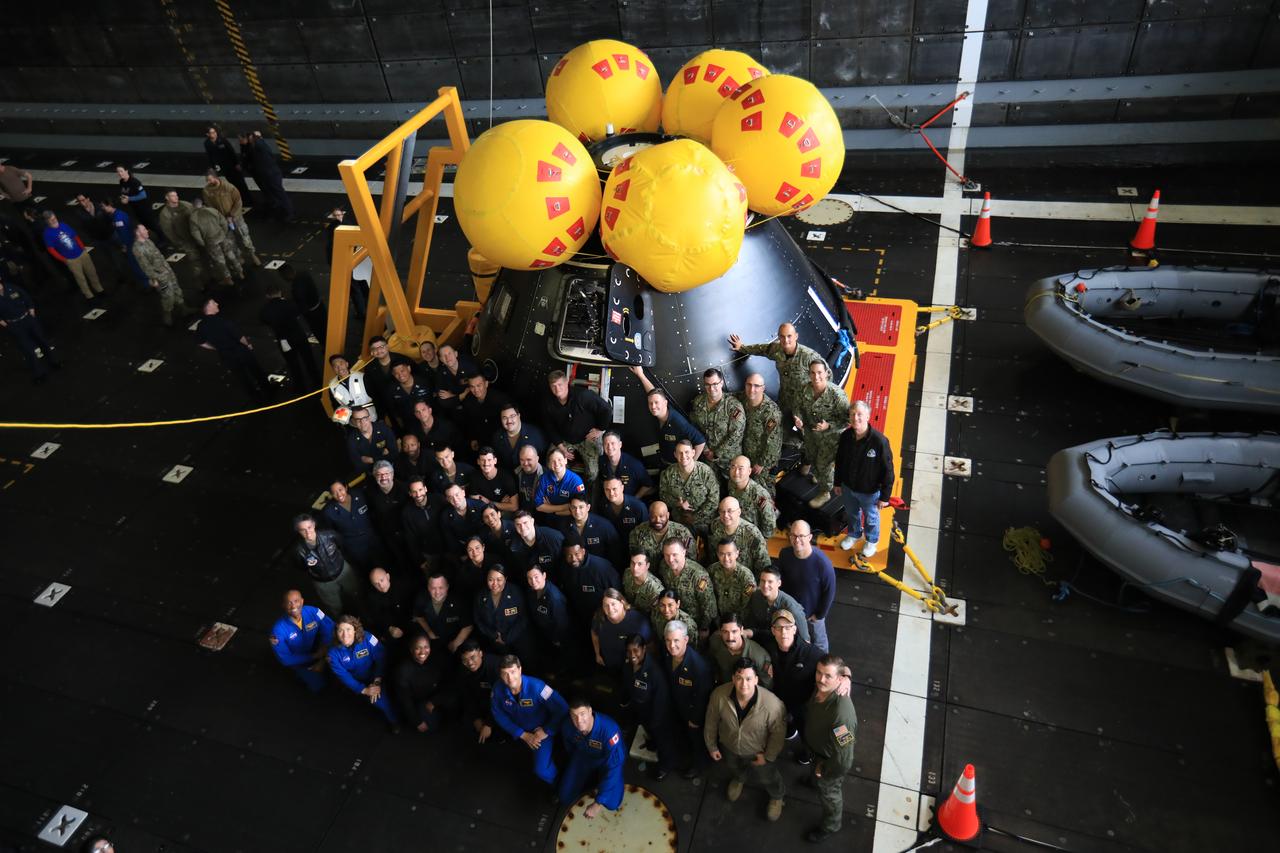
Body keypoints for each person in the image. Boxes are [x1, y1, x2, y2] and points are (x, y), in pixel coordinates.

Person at [704, 659, 788, 822]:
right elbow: (711, 721)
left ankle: (777, 796)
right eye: (739, 677)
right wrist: (712, 746)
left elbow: (778, 734)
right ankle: (740, 778)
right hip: (729, 746)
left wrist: (768, 756)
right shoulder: (719, 695)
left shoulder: (773, 705)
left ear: (756, 679)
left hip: (758, 752)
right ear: (733, 678)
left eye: (749, 678)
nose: (744, 684)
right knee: (734, 767)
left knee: (767, 776)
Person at [803, 655, 859, 842]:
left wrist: (826, 770)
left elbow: (844, 758)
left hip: (827, 761)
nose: (821, 679)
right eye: (819, 673)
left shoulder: (841, 715)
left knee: (829, 794)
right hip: (816, 749)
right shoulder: (822, 689)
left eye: (828, 676)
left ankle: (831, 825)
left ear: (839, 678)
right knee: (816, 778)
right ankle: (813, 781)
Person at [491, 655, 570, 785]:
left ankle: (559, 783)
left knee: (541, 771)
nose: (510, 678)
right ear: (500, 675)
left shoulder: (538, 687)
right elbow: (498, 714)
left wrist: (547, 730)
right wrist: (521, 734)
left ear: (520, 670)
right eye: (505, 674)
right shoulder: (497, 689)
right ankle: (556, 780)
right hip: (521, 731)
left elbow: (562, 708)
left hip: (541, 730)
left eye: (513, 672)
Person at [834, 400, 896, 558]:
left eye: (860, 414)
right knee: (852, 513)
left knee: (871, 517)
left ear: (868, 416)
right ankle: (854, 534)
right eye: (853, 414)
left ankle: (872, 540)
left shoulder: (879, 441)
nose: (856, 418)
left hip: (870, 492)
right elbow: (839, 460)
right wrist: (837, 482)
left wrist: (885, 496)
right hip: (848, 488)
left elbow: (888, 469)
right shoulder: (846, 436)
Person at [728, 322, 826, 422]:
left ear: (796, 336)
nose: (786, 340)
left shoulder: (809, 357)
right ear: (779, 337)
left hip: (804, 405)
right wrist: (742, 347)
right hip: (784, 401)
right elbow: (761, 349)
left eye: (789, 336)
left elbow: (827, 378)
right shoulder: (777, 349)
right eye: (782, 337)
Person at [540, 369, 612, 485]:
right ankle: (560, 488)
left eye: (560, 385)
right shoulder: (547, 403)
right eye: (554, 386)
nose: (557, 389)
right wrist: (561, 447)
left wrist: (600, 429)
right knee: (551, 465)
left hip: (586, 439)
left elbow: (606, 409)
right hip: (563, 440)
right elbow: (549, 427)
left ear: (566, 382)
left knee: (593, 473)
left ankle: (584, 490)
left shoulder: (583, 396)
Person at [559, 697, 627, 816]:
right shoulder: (567, 726)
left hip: (607, 762)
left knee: (612, 803)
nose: (579, 720)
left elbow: (614, 767)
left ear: (590, 711)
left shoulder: (609, 731)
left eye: (582, 714)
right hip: (583, 758)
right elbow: (569, 747)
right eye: (574, 716)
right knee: (565, 797)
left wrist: (598, 802)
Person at [796, 360, 850, 507]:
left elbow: (847, 420)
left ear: (826, 374)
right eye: (812, 373)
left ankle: (825, 492)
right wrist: (798, 418)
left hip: (830, 438)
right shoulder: (805, 389)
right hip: (811, 434)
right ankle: (820, 475)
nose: (816, 376)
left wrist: (829, 425)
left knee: (823, 464)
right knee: (812, 457)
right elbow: (798, 406)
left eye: (820, 372)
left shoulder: (837, 395)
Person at [663, 619, 713, 777]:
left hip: (693, 712)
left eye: (676, 640)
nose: (672, 645)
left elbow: (702, 697)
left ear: (686, 639)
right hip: (678, 706)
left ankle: (699, 765)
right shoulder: (667, 656)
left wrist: (695, 719)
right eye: (668, 641)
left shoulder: (698, 666)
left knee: (697, 741)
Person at [768, 609, 825, 747]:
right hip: (779, 698)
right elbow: (756, 634)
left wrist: (846, 675)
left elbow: (831, 662)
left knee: (806, 732)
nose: (783, 632)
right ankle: (789, 729)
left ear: (794, 629)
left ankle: (808, 753)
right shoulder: (769, 644)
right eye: (779, 628)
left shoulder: (809, 652)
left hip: (801, 703)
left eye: (788, 628)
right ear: (773, 630)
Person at [328, 615, 398, 729]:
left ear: (355, 629)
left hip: (378, 674)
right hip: (359, 681)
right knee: (379, 701)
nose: (345, 635)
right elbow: (344, 676)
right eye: (340, 630)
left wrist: (377, 680)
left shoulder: (368, 638)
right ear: (336, 633)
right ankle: (394, 722)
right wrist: (365, 690)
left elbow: (381, 657)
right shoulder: (333, 654)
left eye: (348, 629)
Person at [624, 633, 678, 778]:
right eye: (629, 651)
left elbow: (661, 700)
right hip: (642, 711)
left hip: (657, 715)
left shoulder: (655, 672)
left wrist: (656, 721)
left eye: (636, 650)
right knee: (651, 735)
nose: (632, 655)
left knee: (663, 741)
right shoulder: (628, 665)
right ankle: (653, 742)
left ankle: (666, 766)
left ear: (644, 649)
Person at [197, 297, 271, 401]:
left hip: (226, 356)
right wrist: (247, 345)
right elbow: (240, 337)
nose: (217, 304)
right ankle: (269, 390)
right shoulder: (223, 321)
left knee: (243, 378)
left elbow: (201, 343)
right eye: (214, 303)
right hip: (240, 351)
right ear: (208, 306)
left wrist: (216, 348)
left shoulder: (201, 326)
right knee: (256, 371)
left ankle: (256, 397)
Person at [778, 521, 836, 653]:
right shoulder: (784, 554)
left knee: (819, 645)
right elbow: (781, 580)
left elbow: (829, 592)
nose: (797, 540)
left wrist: (819, 615)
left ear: (809, 537)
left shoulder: (823, 564)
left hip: (812, 617)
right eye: (793, 536)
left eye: (801, 536)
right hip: (790, 612)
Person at [291, 513, 363, 617]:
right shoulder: (299, 551)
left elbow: (341, 545)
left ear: (314, 525)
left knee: (357, 593)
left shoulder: (330, 535)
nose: (308, 532)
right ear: (299, 532)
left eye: (309, 527)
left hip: (343, 571)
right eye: (303, 530)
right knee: (335, 606)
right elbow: (301, 566)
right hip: (323, 583)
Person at [632, 368, 707, 465]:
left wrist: (691, 464)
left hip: (677, 466)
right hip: (665, 463)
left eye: (656, 403)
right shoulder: (659, 412)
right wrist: (640, 375)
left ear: (665, 403)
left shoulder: (678, 422)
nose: (653, 406)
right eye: (650, 403)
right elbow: (653, 393)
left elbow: (700, 442)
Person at [269, 589, 334, 692]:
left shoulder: (313, 611)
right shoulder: (277, 631)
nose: (293, 606)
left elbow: (330, 628)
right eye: (289, 603)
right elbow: (285, 659)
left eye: (296, 601)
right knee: (319, 687)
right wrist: (314, 656)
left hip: (320, 649)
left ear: (302, 601)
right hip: (300, 661)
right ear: (283, 606)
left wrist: (324, 651)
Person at [0, 276, 61, 382]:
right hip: (14, 325)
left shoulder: (12, 288)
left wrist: (31, 310)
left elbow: (26, 297)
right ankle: (39, 374)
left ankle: (54, 362)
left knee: (42, 340)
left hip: (27, 319)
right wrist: (3, 323)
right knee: (28, 350)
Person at [260, 282, 320, 388]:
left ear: (267, 296)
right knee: (308, 358)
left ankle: (300, 385)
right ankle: (316, 380)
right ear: (280, 292)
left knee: (293, 363)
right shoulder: (289, 303)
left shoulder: (265, 310)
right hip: (298, 335)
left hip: (284, 340)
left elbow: (264, 321)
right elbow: (300, 310)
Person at [131, 223, 191, 327]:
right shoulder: (138, 249)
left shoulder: (148, 241)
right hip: (159, 275)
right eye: (144, 229)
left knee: (176, 288)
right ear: (138, 233)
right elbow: (146, 268)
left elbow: (159, 256)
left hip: (166, 270)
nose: (146, 231)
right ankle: (167, 316)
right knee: (167, 296)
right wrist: (156, 278)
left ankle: (183, 308)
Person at [559, 536, 621, 634]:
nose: (573, 559)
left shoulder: (602, 568)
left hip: (604, 620)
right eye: (569, 555)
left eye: (576, 554)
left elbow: (617, 594)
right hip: (580, 620)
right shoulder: (565, 569)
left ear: (583, 551)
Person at [690, 367, 746, 476]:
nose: (711, 388)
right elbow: (694, 427)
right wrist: (706, 450)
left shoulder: (733, 405)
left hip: (729, 460)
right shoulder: (698, 402)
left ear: (721, 383)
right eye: (708, 384)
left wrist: (716, 453)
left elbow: (737, 433)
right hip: (707, 459)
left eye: (715, 384)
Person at [322, 480, 386, 573]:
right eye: (334, 492)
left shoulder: (360, 495)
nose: (339, 494)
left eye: (340, 489)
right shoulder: (328, 511)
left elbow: (373, 511)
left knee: (384, 561)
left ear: (346, 487)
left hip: (372, 536)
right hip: (354, 545)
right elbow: (331, 532)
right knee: (366, 568)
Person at [659, 538, 717, 639]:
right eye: (667, 555)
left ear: (684, 552)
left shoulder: (698, 575)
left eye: (674, 554)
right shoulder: (664, 566)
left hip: (694, 625)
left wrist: (704, 628)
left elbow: (709, 607)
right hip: (673, 618)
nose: (670, 559)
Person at [660, 439, 720, 536]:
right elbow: (663, 495)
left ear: (693, 453)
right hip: (679, 523)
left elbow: (714, 500)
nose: (683, 456)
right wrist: (677, 503)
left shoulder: (705, 472)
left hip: (704, 523)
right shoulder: (668, 473)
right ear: (675, 454)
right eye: (680, 453)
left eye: (686, 452)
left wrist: (695, 517)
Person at [473, 566, 533, 662]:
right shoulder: (481, 596)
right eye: (490, 580)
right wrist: (494, 636)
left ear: (505, 579)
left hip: (518, 639)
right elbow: (478, 619)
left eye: (499, 580)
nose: (494, 584)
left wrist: (507, 638)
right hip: (496, 642)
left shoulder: (516, 592)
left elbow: (523, 617)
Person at [394, 635, 452, 734]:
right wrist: (417, 721)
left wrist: (434, 701)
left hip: (435, 698)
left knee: (452, 702)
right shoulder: (404, 670)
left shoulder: (437, 661)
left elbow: (447, 684)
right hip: (420, 702)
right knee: (431, 727)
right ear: (411, 650)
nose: (422, 652)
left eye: (426, 647)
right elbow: (405, 699)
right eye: (418, 648)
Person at [41, 211, 104, 300]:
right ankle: (89, 296)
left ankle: (99, 289)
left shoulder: (63, 225)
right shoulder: (47, 234)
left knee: (92, 272)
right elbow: (51, 250)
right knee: (80, 279)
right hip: (71, 259)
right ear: (47, 221)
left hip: (81, 253)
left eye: (55, 218)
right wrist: (64, 260)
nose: (55, 220)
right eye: (52, 220)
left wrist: (82, 248)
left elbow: (75, 236)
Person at [745, 566, 810, 651]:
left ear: (779, 583)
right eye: (762, 581)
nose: (765, 585)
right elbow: (751, 622)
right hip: (762, 641)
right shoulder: (756, 597)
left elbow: (805, 641)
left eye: (770, 582)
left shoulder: (791, 607)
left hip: (785, 647)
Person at [738, 374, 784, 495]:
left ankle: (772, 511)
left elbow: (774, 442)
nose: (752, 389)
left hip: (762, 461)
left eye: (756, 386)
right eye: (749, 385)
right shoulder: (742, 398)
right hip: (746, 455)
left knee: (763, 491)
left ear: (763, 388)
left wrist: (761, 463)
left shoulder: (771, 412)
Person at [203, 169, 260, 265]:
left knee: (244, 236)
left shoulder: (228, 187)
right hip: (222, 220)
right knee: (230, 241)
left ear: (215, 177)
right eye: (207, 180)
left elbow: (238, 201)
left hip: (236, 218)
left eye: (209, 179)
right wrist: (221, 218)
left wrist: (231, 214)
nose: (208, 182)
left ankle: (252, 254)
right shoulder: (207, 191)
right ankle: (238, 256)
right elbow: (210, 207)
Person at [708, 496, 772, 579]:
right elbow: (713, 553)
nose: (725, 515)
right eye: (722, 511)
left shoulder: (752, 533)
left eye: (730, 511)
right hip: (722, 576)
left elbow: (763, 564)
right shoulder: (715, 525)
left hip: (746, 579)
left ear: (739, 512)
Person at [591, 588, 650, 674]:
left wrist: (641, 667)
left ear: (622, 603)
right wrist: (597, 654)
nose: (610, 609)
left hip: (632, 669)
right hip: (609, 665)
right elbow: (594, 633)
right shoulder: (599, 618)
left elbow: (649, 645)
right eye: (606, 605)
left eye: (613, 604)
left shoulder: (638, 621)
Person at [189, 197, 244, 288]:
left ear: (193, 206)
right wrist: (224, 233)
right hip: (222, 237)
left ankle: (228, 279)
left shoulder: (193, 218)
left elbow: (195, 234)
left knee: (220, 261)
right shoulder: (212, 210)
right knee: (231, 255)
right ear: (201, 203)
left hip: (211, 242)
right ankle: (240, 272)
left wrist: (203, 243)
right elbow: (223, 222)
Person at [413, 571, 473, 653]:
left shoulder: (458, 601)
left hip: (453, 642)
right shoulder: (422, 598)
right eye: (433, 588)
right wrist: (429, 631)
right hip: (432, 641)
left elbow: (468, 626)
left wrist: (455, 644)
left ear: (447, 587)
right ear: (428, 588)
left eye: (441, 588)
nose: (437, 592)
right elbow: (418, 616)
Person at [707, 613, 773, 687]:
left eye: (734, 631)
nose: (730, 637)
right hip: (724, 689)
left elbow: (767, 687)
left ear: (741, 630)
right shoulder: (715, 642)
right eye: (725, 632)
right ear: (720, 632)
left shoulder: (759, 656)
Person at [526, 563, 572, 666]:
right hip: (544, 632)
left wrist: (556, 639)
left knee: (565, 658)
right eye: (529, 578)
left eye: (536, 577)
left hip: (559, 636)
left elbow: (561, 623)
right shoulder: (532, 590)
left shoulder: (554, 597)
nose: (533, 581)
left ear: (544, 575)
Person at [243, 130, 293, 221]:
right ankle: (281, 209)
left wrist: (258, 137)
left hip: (271, 174)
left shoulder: (259, 145)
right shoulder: (256, 146)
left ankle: (289, 211)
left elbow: (257, 144)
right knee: (273, 193)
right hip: (267, 174)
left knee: (279, 193)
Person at [561, 494, 623, 566]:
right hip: (574, 567)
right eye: (574, 507)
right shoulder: (563, 526)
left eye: (581, 507)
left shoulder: (604, 525)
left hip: (599, 568)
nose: (577, 511)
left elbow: (616, 552)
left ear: (588, 507)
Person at [456, 641, 500, 743]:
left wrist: (489, 724)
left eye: (472, 657)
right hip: (481, 702)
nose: (470, 663)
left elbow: (501, 698)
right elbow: (467, 695)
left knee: (497, 733)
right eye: (465, 660)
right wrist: (476, 717)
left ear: (480, 653)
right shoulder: (462, 669)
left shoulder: (495, 667)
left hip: (500, 704)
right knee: (467, 724)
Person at [157, 190, 204, 282]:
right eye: (173, 196)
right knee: (195, 262)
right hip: (186, 242)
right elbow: (169, 232)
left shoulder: (185, 205)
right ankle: (201, 282)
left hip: (197, 237)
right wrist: (180, 243)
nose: (176, 197)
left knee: (205, 256)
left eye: (176, 195)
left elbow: (196, 215)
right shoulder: (165, 214)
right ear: (167, 198)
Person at [401, 475, 444, 578]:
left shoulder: (439, 500)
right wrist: (420, 560)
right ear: (410, 494)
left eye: (420, 490)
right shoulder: (407, 513)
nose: (418, 494)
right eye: (414, 491)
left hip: (448, 549)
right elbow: (410, 539)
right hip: (428, 554)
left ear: (425, 489)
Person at [99, 198, 147, 287]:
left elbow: (124, 234)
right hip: (133, 241)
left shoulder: (117, 219)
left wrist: (125, 246)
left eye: (103, 206)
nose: (102, 209)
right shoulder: (119, 213)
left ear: (109, 206)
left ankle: (146, 283)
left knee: (135, 265)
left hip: (130, 244)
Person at [459, 374, 513, 452]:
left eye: (479, 385)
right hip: (481, 440)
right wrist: (473, 438)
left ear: (486, 384)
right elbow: (469, 422)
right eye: (472, 387)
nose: (476, 390)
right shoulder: (468, 400)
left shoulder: (500, 400)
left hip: (500, 439)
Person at [629, 500, 692, 565]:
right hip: (646, 572)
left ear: (668, 515)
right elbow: (634, 558)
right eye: (653, 517)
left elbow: (690, 559)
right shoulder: (637, 533)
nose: (657, 520)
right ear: (649, 516)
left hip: (672, 572)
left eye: (661, 516)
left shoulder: (682, 532)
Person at [727, 455, 779, 534]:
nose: (736, 472)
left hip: (751, 534)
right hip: (735, 526)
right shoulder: (731, 483)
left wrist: (761, 539)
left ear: (749, 471)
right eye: (733, 467)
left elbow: (770, 523)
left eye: (741, 469)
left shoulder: (760, 495)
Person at [709, 538, 758, 619]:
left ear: (737, 553)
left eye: (729, 554)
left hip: (738, 622)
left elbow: (748, 606)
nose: (726, 559)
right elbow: (709, 598)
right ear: (717, 554)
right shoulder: (712, 570)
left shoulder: (746, 576)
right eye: (722, 554)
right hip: (716, 619)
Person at [204, 124, 254, 203]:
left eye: (214, 132)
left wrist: (237, 163)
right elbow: (210, 156)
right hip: (224, 167)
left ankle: (249, 200)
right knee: (232, 184)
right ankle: (240, 200)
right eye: (211, 133)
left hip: (232, 165)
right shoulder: (207, 143)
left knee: (241, 183)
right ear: (207, 134)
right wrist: (213, 167)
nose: (214, 134)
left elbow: (231, 152)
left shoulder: (222, 140)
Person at [280, 263, 326, 348]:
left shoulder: (296, 288)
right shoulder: (304, 273)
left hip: (312, 313)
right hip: (319, 305)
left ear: (285, 276)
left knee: (319, 332)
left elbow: (302, 306)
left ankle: (325, 346)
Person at [598, 430, 653, 499]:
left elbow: (648, 485)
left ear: (620, 445)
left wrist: (635, 499)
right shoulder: (601, 461)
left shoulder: (634, 464)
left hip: (629, 501)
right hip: (609, 500)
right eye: (606, 444)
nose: (609, 447)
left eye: (613, 443)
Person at [365, 566, 413, 645]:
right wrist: (389, 628)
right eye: (376, 584)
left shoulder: (402, 584)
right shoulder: (372, 598)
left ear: (388, 576)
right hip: (393, 629)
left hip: (410, 621)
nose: (380, 585)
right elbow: (376, 617)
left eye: (382, 580)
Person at [492, 404, 545, 473]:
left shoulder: (535, 433)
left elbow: (543, 457)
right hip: (508, 478)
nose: (509, 421)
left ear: (519, 416)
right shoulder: (497, 437)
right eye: (504, 418)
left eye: (512, 416)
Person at [534, 446, 586, 518]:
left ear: (565, 460)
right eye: (553, 461)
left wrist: (551, 509)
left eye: (559, 460)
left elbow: (578, 509)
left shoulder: (576, 481)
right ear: (549, 465)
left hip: (569, 517)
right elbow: (538, 506)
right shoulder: (544, 478)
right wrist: (565, 507)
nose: (557, 464)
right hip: (547, 516)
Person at [509, 510, 564, 577]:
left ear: (532, 521)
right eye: (518, 524)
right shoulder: (513, 545)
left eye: (525, 522)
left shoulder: (553, 537)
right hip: (532, 582)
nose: (522, 527)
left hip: (555, 579)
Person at [345, 409, 398, 475]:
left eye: (365, 418)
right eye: (358, 420)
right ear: (353, 422)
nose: (362, 422)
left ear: (370, 418)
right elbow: (359, 465)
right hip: (371, 473)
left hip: (392, 467)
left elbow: (394, 454)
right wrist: (382, 456)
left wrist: (372, 460)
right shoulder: (351, 439)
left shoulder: (383, 429)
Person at [599, 476, 648, 545]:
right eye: (607, 490)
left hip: (634, 546)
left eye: (614, 489)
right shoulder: (602, 506)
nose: (611, 493)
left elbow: (646, 531)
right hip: (612, 546)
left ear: (622, 488)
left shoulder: (638, 506)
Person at [115, 164, 160, 235]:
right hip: (134, 208)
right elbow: (124, 193)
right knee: (140, 226)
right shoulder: (121, 182)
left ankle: (162, 238)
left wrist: (129, 199)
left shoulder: (135, 182)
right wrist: (123, 199)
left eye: (121, 171)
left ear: (126, 171)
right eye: (118, 172)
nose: (119, 173)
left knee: (152, 224)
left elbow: (143, 195)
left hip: (143, 207)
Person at [389, 361, 434, 432]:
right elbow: (395, 413)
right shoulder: (392, 389)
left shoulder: (424, 382)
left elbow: (434, 403)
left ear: (409, 368)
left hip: (429, 424)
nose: (400, 375)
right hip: (409, 427)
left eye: (402, 371)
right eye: (396, 373)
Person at [471, 447, 519, 513]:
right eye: (483, 460)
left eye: (489, 460)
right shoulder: (475, 477)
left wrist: (489, 502)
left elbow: (514, 507)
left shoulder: (506, 477)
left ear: (495, 461)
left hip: (504, 512)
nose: (486, 463)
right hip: (485, 511)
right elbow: (474, 501)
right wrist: (501, 504)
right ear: (478, 462)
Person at [329, 355, 376, 420]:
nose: (339, 368)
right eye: (335, 366)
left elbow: (376, 396)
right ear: (333, 369)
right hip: (353, 420)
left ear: (347, 364)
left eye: (341, 364)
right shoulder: (332, 386)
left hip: (370, 415)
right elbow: (336, 406)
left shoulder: (361, 377)